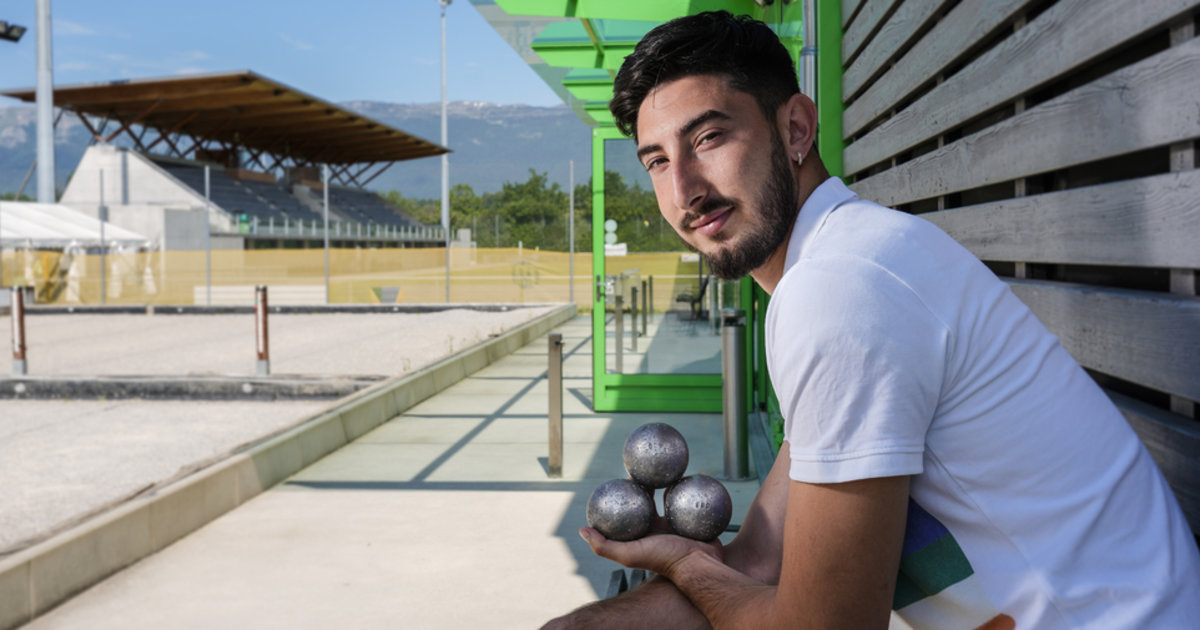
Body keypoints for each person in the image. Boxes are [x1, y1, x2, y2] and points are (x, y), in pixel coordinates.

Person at [542, 11, 1200, 630]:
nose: (685, 190)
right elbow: (759, 557)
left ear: (797, 129)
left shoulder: (840, 288)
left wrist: (689, 565)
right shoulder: (846, 260)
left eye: (709, 137)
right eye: (657, 160)